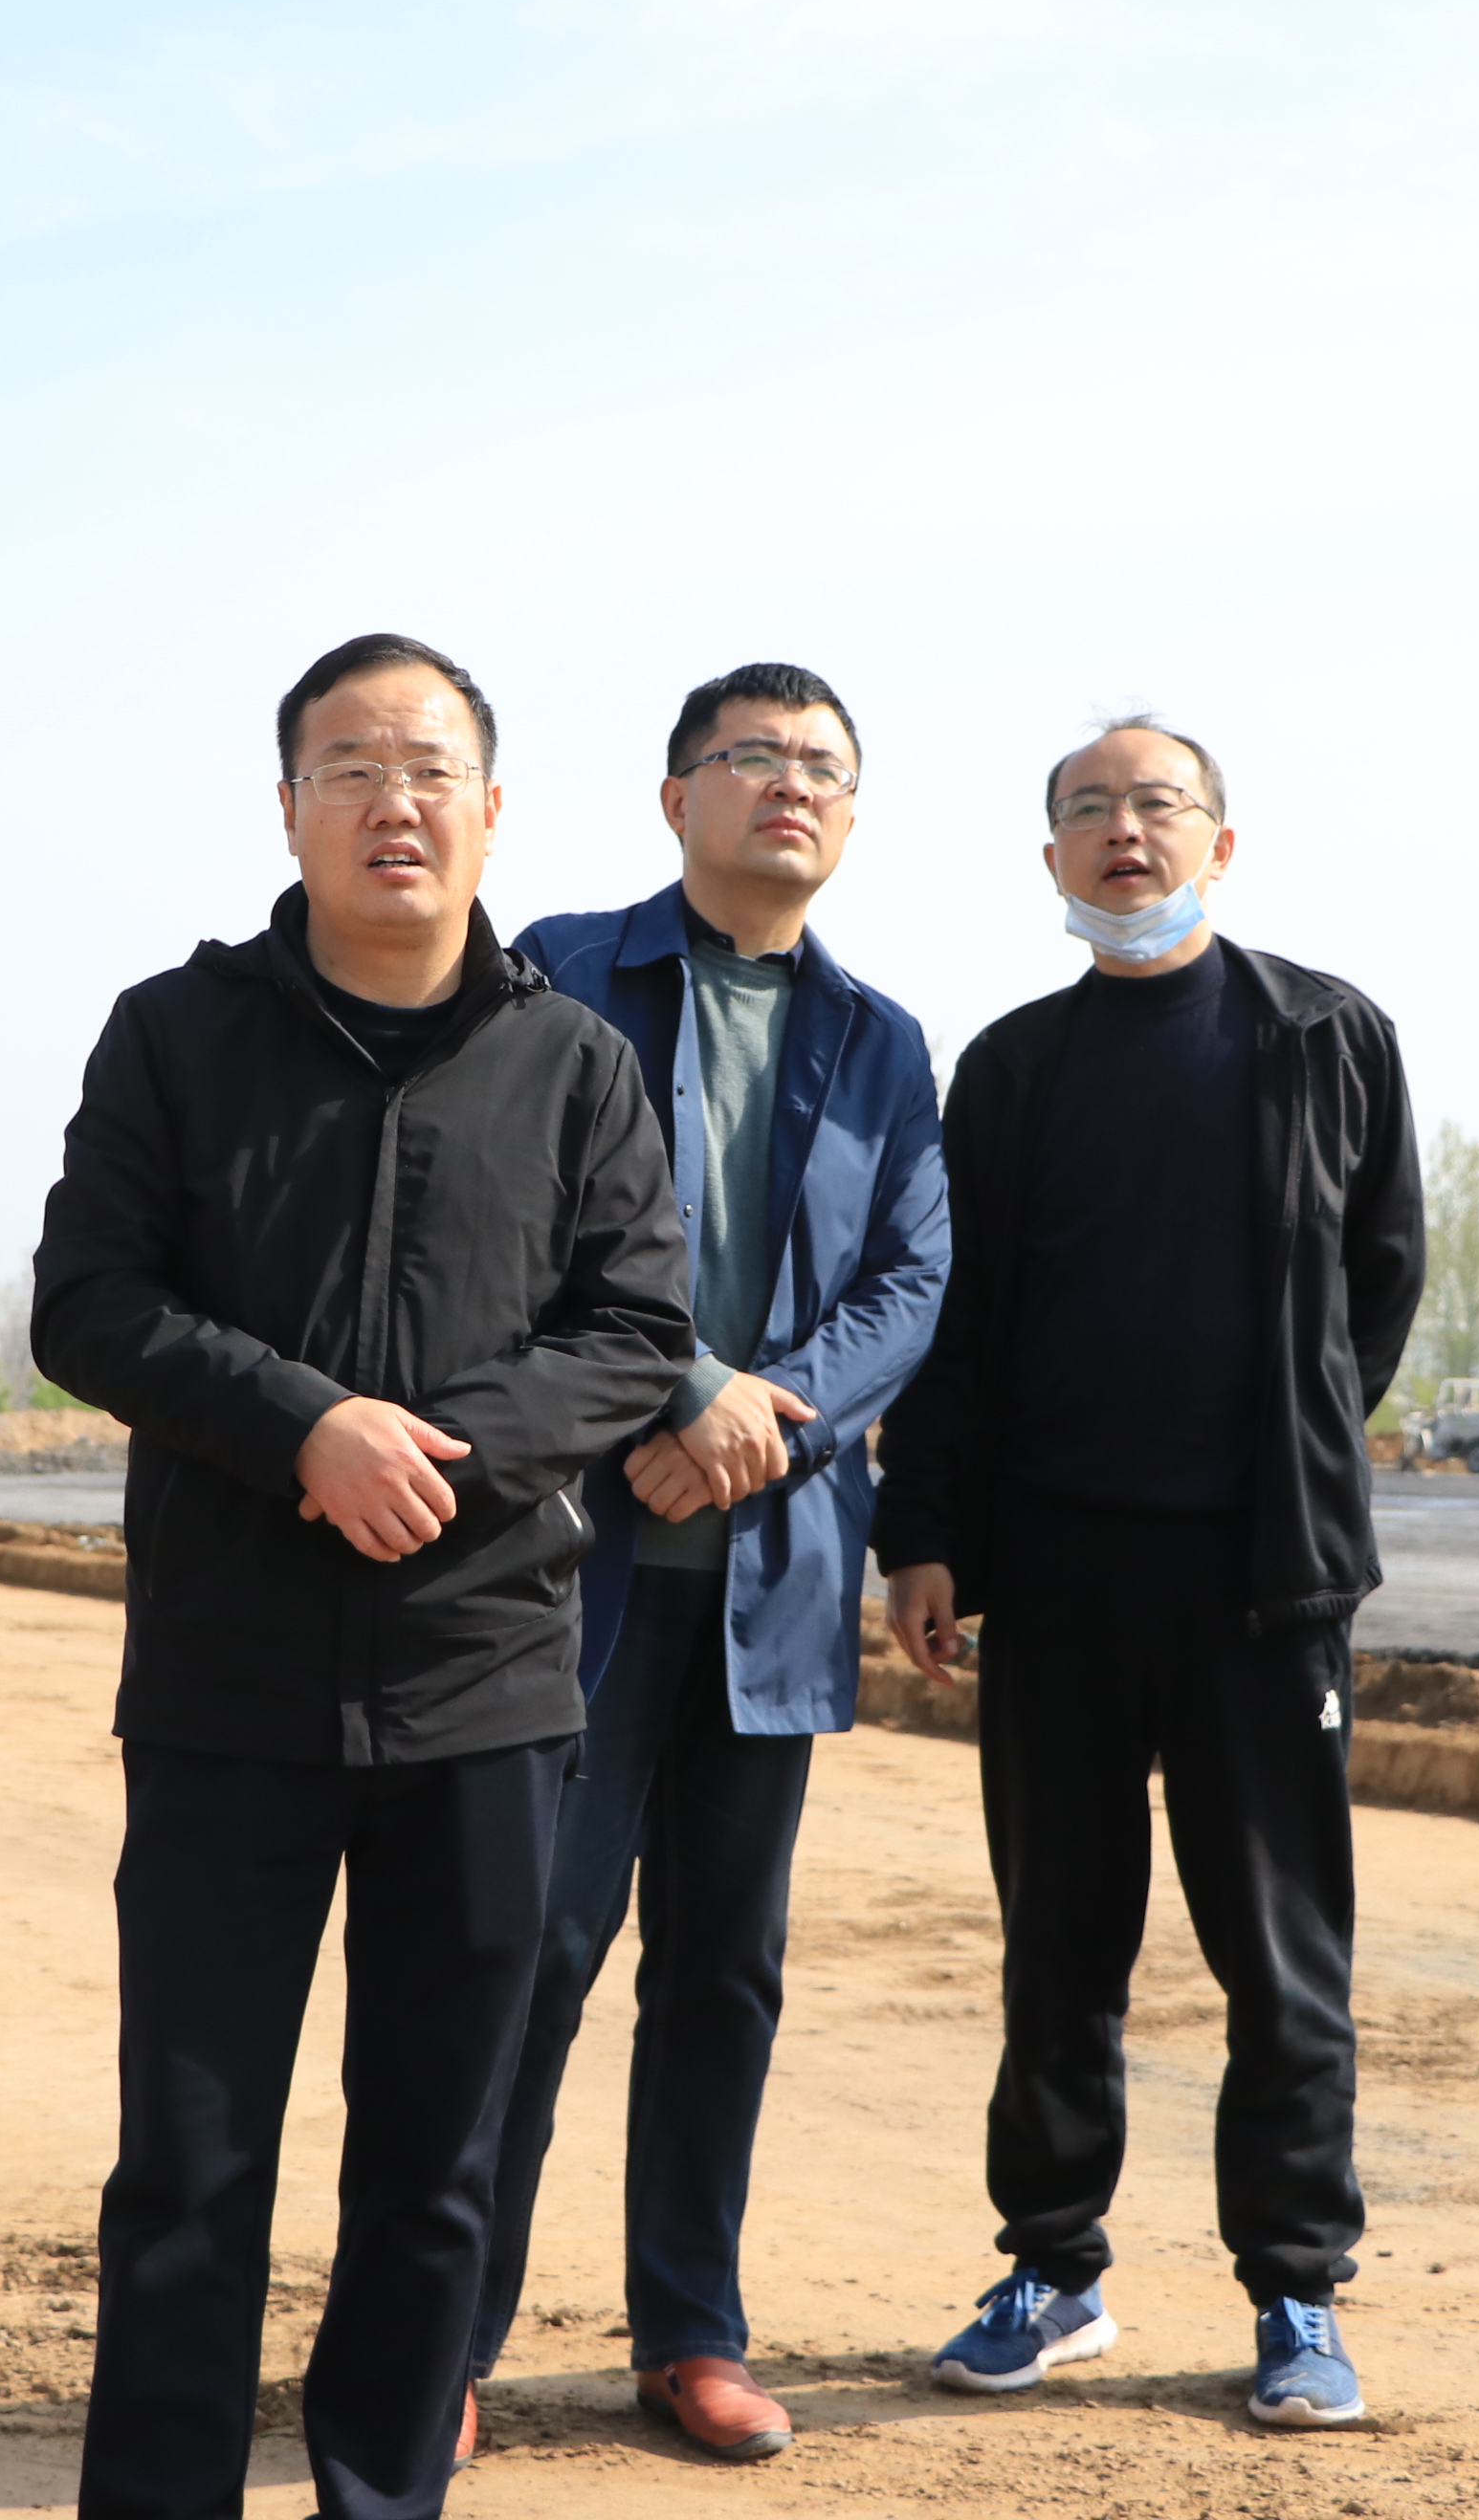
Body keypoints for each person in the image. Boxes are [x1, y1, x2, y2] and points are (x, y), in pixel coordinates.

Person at [32, 632, 694, 2519]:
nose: (394, 802)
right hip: (228, 1686)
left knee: (433, 2166)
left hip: (484, 1691)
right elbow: (89, 1300)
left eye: (429, 768)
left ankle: (382, 2495)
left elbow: (637, 1330)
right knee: (190, 2161)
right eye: (351, 767)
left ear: (491, 809)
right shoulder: (178, 1034)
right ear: (289, 808)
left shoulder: (576, 1064)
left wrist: (435, 1452)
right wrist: (305, 1426)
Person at [876, 715, 1423, 2428]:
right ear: (1051, 856)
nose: (1127, 832)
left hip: (1263, 1586)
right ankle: (1052, 2269)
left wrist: (1297, 1450)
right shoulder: (1014, 1070)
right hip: (1057, 1578)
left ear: (1221, 843)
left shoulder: (1326, 1038)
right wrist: (924, 1531)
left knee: (1283, 1957)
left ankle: (1297, 2291)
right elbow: (958, 1322)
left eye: (1159, 804)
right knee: (1060, 1943)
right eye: (1090, 810)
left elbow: (1379, 1281)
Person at [468, 663, 950, 2463]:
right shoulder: (561, 971)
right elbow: (511, 1220)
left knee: (724, 1977)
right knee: (532, 1954)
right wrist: (685, 1392)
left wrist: (768, 1426)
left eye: (823, 764)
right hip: (569, 1569)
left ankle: (692, 2334)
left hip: (775, 1578)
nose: (789, 785)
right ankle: (446, 2339)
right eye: (752, 757)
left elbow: (911, 1282)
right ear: (678, 798)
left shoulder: (879, 1039)